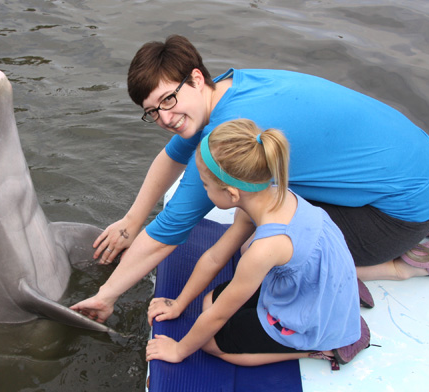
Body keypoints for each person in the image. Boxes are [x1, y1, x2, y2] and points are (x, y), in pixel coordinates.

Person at [70, 35, 429, 323]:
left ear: (195, 78)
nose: (164, 119)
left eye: (168, 101)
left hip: (397, 214)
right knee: (263, 203)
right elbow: (168, 158)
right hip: (419, 175)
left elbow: (170, 230)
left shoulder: (223, 132)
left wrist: (107, 295)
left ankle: (408, 262)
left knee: (260, 254)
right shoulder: (232, 87)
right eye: (151, 112)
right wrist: (129, 221)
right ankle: (413, 221)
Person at [144, 119, 368, 369]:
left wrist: (178, 350)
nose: (203, 190)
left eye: (205, 185)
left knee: (209, 343)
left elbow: (220, 316)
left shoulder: (264, 249)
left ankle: (321, 349)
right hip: (315, 286)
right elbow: (216, 257)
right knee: (208, 301)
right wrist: (179, 303)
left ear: (232, 193)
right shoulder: (269, 194)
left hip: (312, 315)